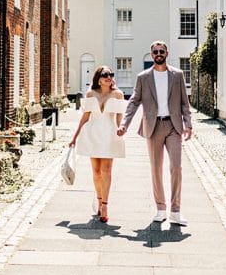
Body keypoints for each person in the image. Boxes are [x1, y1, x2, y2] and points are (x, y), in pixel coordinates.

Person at [117, 40, 193, 225]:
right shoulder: (143, 77)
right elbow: (134, 101)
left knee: (176, 167)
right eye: (155, 51)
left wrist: (188, 124)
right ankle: (161, 208)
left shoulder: (177, 75)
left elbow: (184, 102)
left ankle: (175, 211)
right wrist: (124, 124)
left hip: (173, 126)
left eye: (161, 51)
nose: (158, 54)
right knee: (156, 169)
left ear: (167, 53)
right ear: (152, 55)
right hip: (153, 127)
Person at [68, 65, 126, 223]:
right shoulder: (90, 93)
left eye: (111, 74)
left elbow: (120, 117)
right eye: (105, 74)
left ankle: (105, 206)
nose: (109, 77)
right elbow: (85, 117)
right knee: (96, 172)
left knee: (106, 171)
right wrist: (75, 137)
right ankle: (99, 201)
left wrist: (121, 128)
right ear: (99, 79)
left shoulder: (118, 94)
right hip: (92, 134)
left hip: (109, 134)